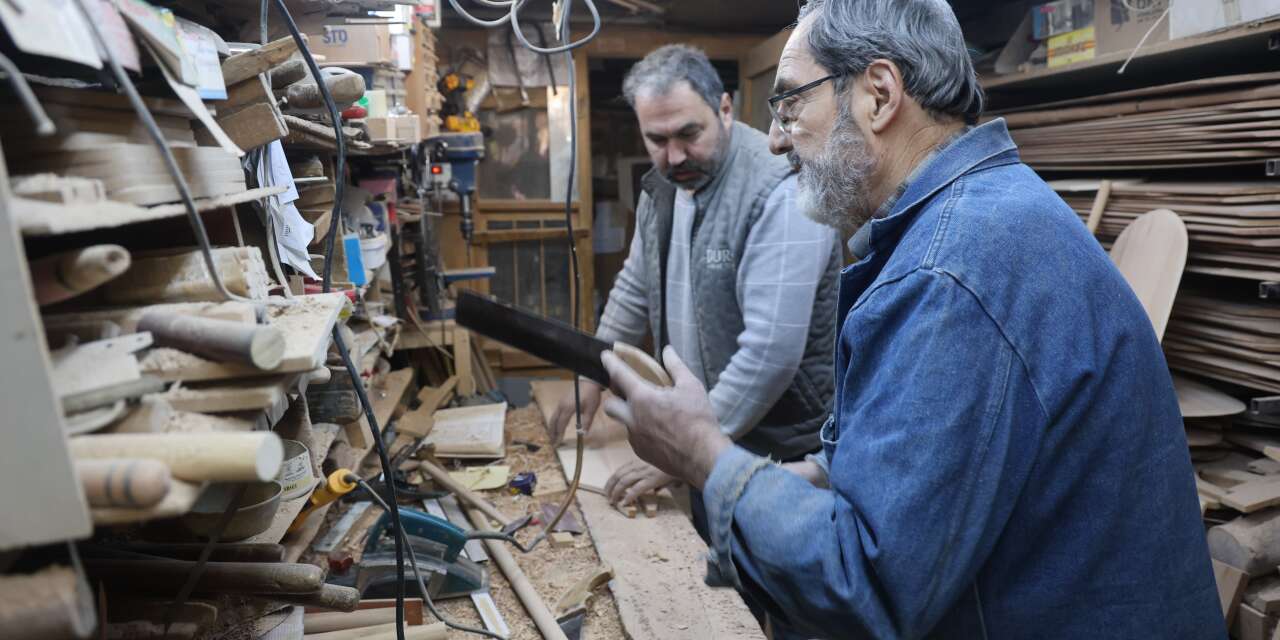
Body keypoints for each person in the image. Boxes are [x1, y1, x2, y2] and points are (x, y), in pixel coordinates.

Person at [596, 1, 1223, 638]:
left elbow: (865, 584)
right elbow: (935, 470)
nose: (779, 139)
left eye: (789, 106)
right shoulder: (975, 218)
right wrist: (810, 478)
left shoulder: (954, 269)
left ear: (878, 94)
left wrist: (702, 454)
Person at [547, 45, 842, 515]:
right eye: (657, 140)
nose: (675, 155)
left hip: (776, 452)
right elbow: (634, 287)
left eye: (689, 133)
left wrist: (688, 448)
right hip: (708, 436)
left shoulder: (781, 190)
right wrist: (593, 371)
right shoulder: (664, 186)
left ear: (724, 108)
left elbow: (769, 354)